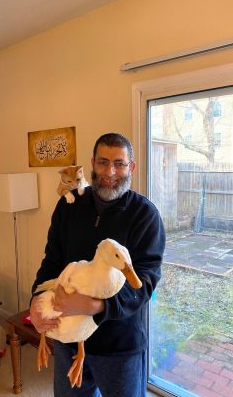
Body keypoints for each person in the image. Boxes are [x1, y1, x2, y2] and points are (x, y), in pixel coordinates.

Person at [30, 132, 166, 397]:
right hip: (68, 340)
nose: (110, 171)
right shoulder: (68, 206)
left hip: (119, 346)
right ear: (92, 163)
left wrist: (96, 306)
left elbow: (145, 282)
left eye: (119, 163)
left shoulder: (145, 215)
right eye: (103, 162)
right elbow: (52, 261)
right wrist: (35, 301)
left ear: (132, 168)